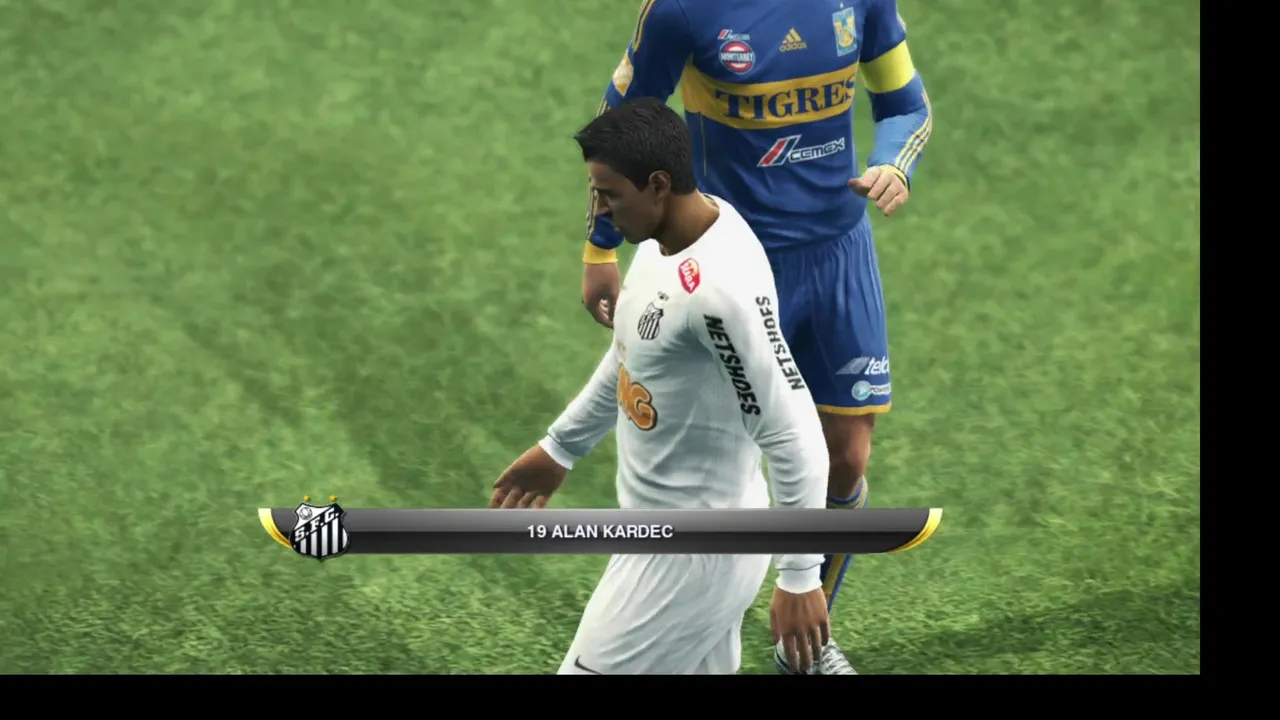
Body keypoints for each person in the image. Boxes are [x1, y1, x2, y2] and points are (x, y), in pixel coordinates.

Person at [577, 0, 933, 674]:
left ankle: (806, 646)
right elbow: (618, 126)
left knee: (847, 458)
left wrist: (894, 164)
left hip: (836, 257)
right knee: (712, 466)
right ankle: (666, 624)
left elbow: (906, 105)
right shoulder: (683, 11)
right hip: (731, 262)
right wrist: (599, 249)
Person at [491, 98, 832, 675]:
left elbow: (793, 434)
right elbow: (630, 357)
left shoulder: (719, 292)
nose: (601, 211)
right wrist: (561, 446)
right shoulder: (662, 243)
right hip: (669, 540)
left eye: (609, 195)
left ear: (657, 185)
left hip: (690, 554)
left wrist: (800, 575)